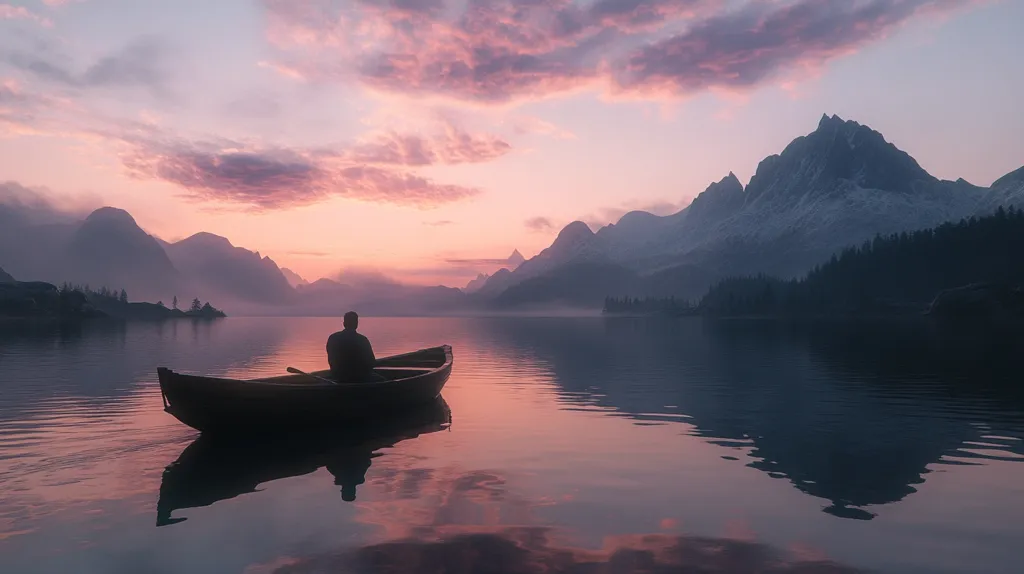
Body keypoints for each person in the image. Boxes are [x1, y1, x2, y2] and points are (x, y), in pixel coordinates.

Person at [326, 311, 382, 383]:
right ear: (356, 324)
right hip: (359, 378)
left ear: (344, 324)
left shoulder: (332, 338)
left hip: (337, 376)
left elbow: (331, 359)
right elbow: (371, 362)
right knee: (382, 380)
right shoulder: (362, 340)